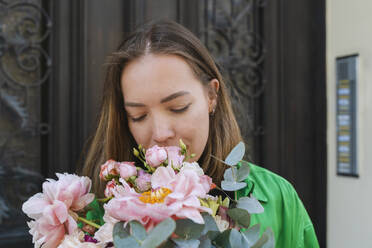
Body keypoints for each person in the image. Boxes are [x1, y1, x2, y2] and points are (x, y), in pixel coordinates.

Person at [81, 19, 319, 247]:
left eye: (178, 108)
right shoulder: (99, 215)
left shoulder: (278, 199)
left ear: (211, 97)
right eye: (139, 116)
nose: (161, 133)